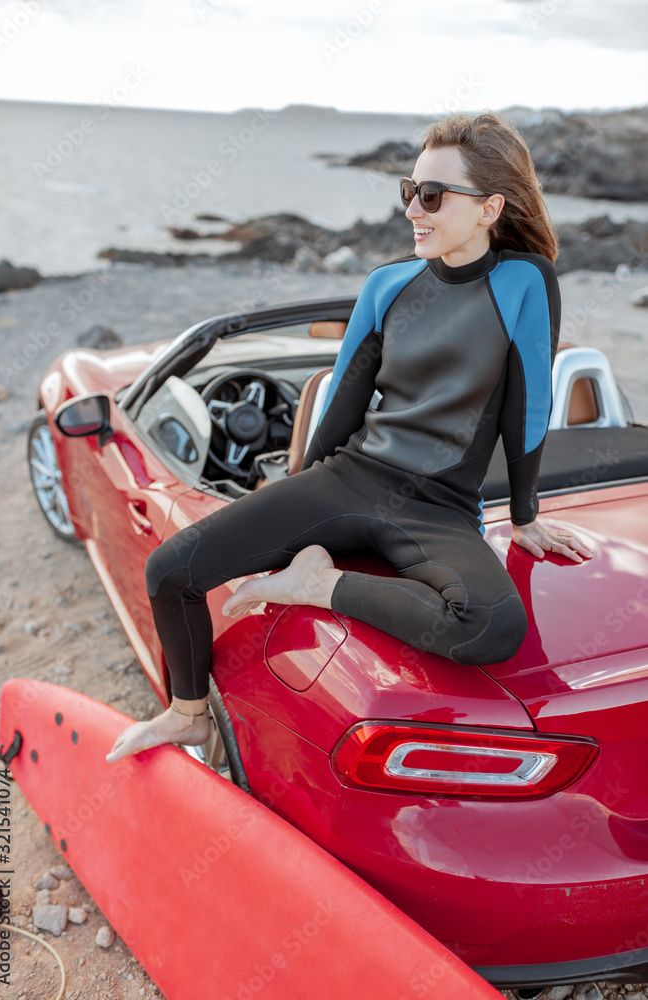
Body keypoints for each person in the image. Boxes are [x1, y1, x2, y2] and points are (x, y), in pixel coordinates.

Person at [107, 111, 592, 764]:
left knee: (490, 624)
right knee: (170, 570)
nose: (411, 211)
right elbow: (344, 399)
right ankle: (189, 714)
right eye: (407, 191)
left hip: (437, 507)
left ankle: (318, 585)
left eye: (430, 195)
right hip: (348, 478)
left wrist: (526, 516)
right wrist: (299, 489)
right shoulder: (386, 285)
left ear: (489, 208)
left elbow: (526, 407)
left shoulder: (524, 281)